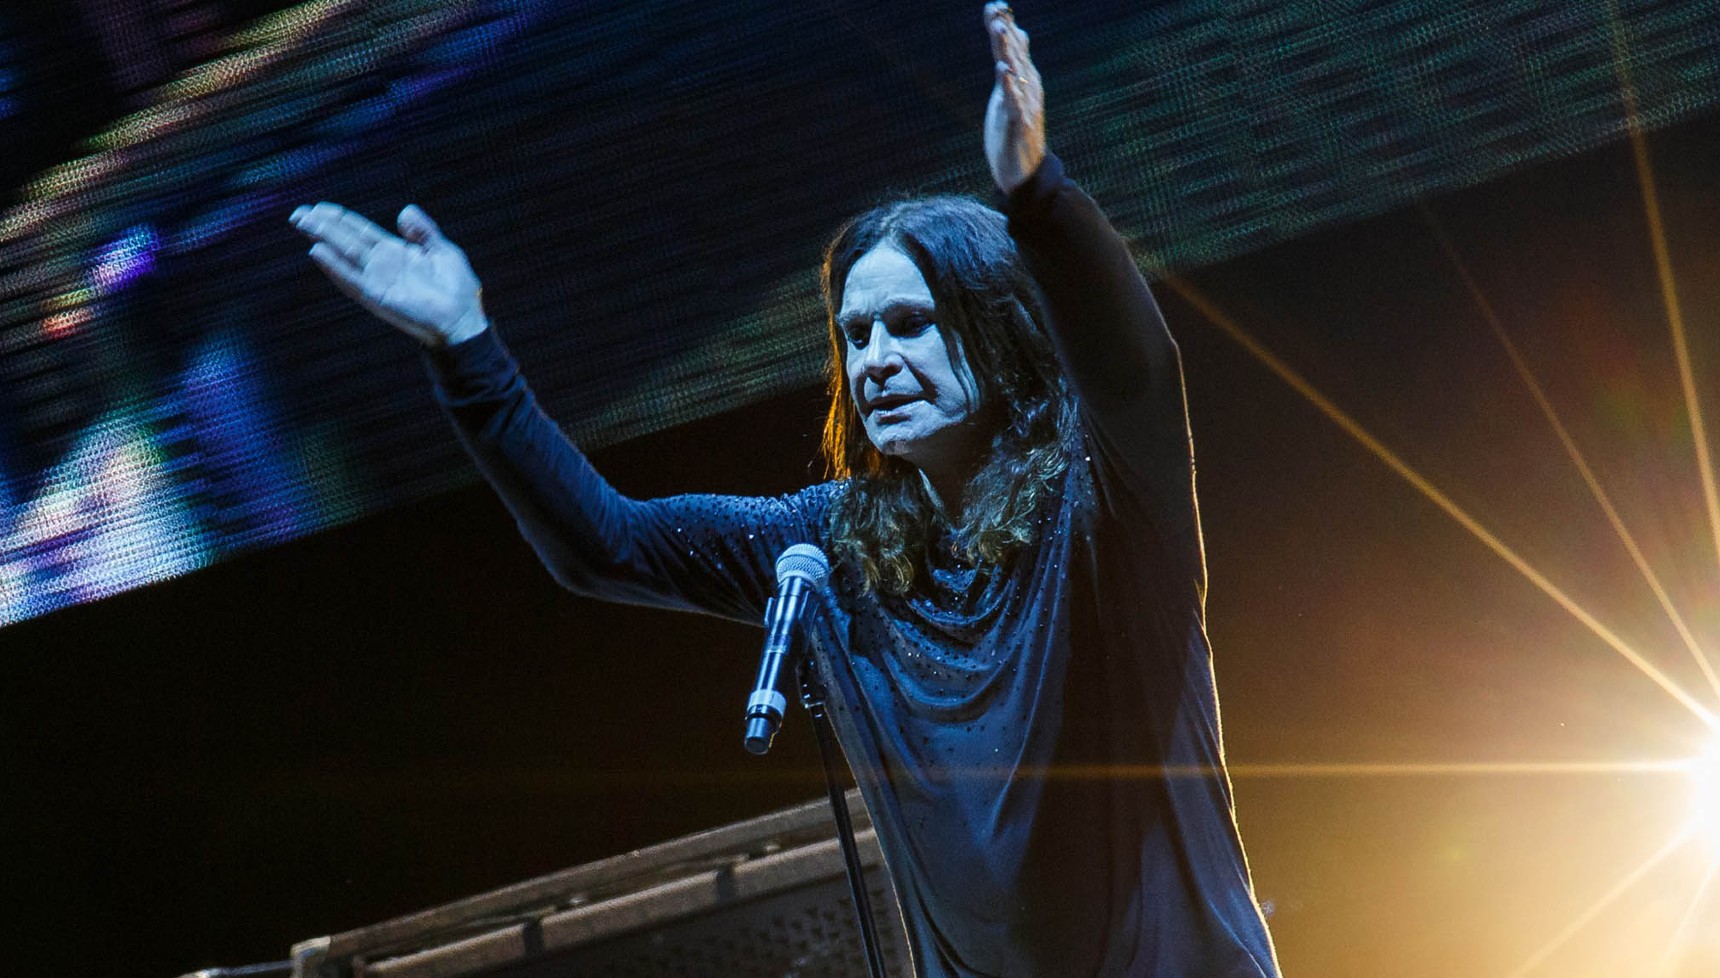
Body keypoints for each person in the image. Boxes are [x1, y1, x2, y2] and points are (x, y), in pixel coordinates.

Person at [289, 5, 1281, 976]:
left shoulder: (1098, 506)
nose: (875, 361)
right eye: (854, 336)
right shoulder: (832, 551)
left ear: (996, 328)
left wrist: (1036, 194)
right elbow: (606, 545)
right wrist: (467, 348)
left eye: (908, 324)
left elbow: (1135, 375)